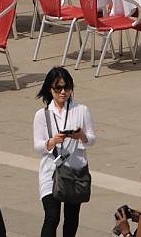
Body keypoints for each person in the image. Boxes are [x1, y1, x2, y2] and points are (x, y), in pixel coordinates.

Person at [33, 66, 95, 237]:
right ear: (50, 89)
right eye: (58, 88)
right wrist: (52, 141)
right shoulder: (42, 115)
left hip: (74, 171)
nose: (63, 92)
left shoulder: (81, 110)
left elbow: (92, 138)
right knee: (52, 217)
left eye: (66, 87)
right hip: (50, 172)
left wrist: (81, 136)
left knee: (72, 217)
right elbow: (38, 145)